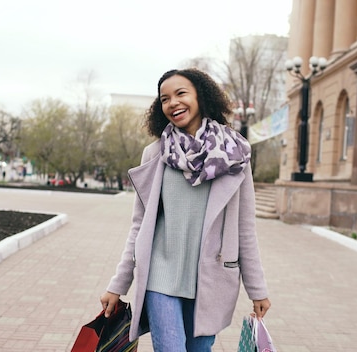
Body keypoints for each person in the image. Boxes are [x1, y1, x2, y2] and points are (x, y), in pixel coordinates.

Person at [100, 68, 271, 351]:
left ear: (200, 96)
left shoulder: (234, 153)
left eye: (181, 93)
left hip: (211, 278)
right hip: (160, 276)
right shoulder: (155, 154)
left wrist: (258, 289)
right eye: (165, 99)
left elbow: (245, 229)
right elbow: (139, 227)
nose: (173, 103)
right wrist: (117, 284)